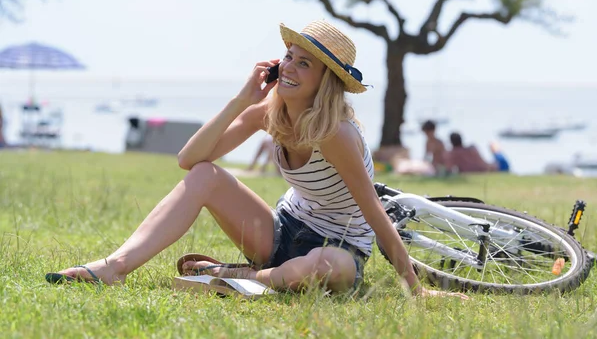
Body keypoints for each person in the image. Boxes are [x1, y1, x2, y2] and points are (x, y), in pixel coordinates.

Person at [45, 20, 466, 299]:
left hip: (339, 250)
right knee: (207, 175)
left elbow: (373, 212)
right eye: (288, 57)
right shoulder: (269, 112)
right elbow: (189, 160)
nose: (290, 68)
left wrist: (416, 287)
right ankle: (115, 267)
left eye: (305, 64)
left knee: (325, 265)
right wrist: (240, 100)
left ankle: (239, 277)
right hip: (280, 232)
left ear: (325, 82)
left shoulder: (335, 133)